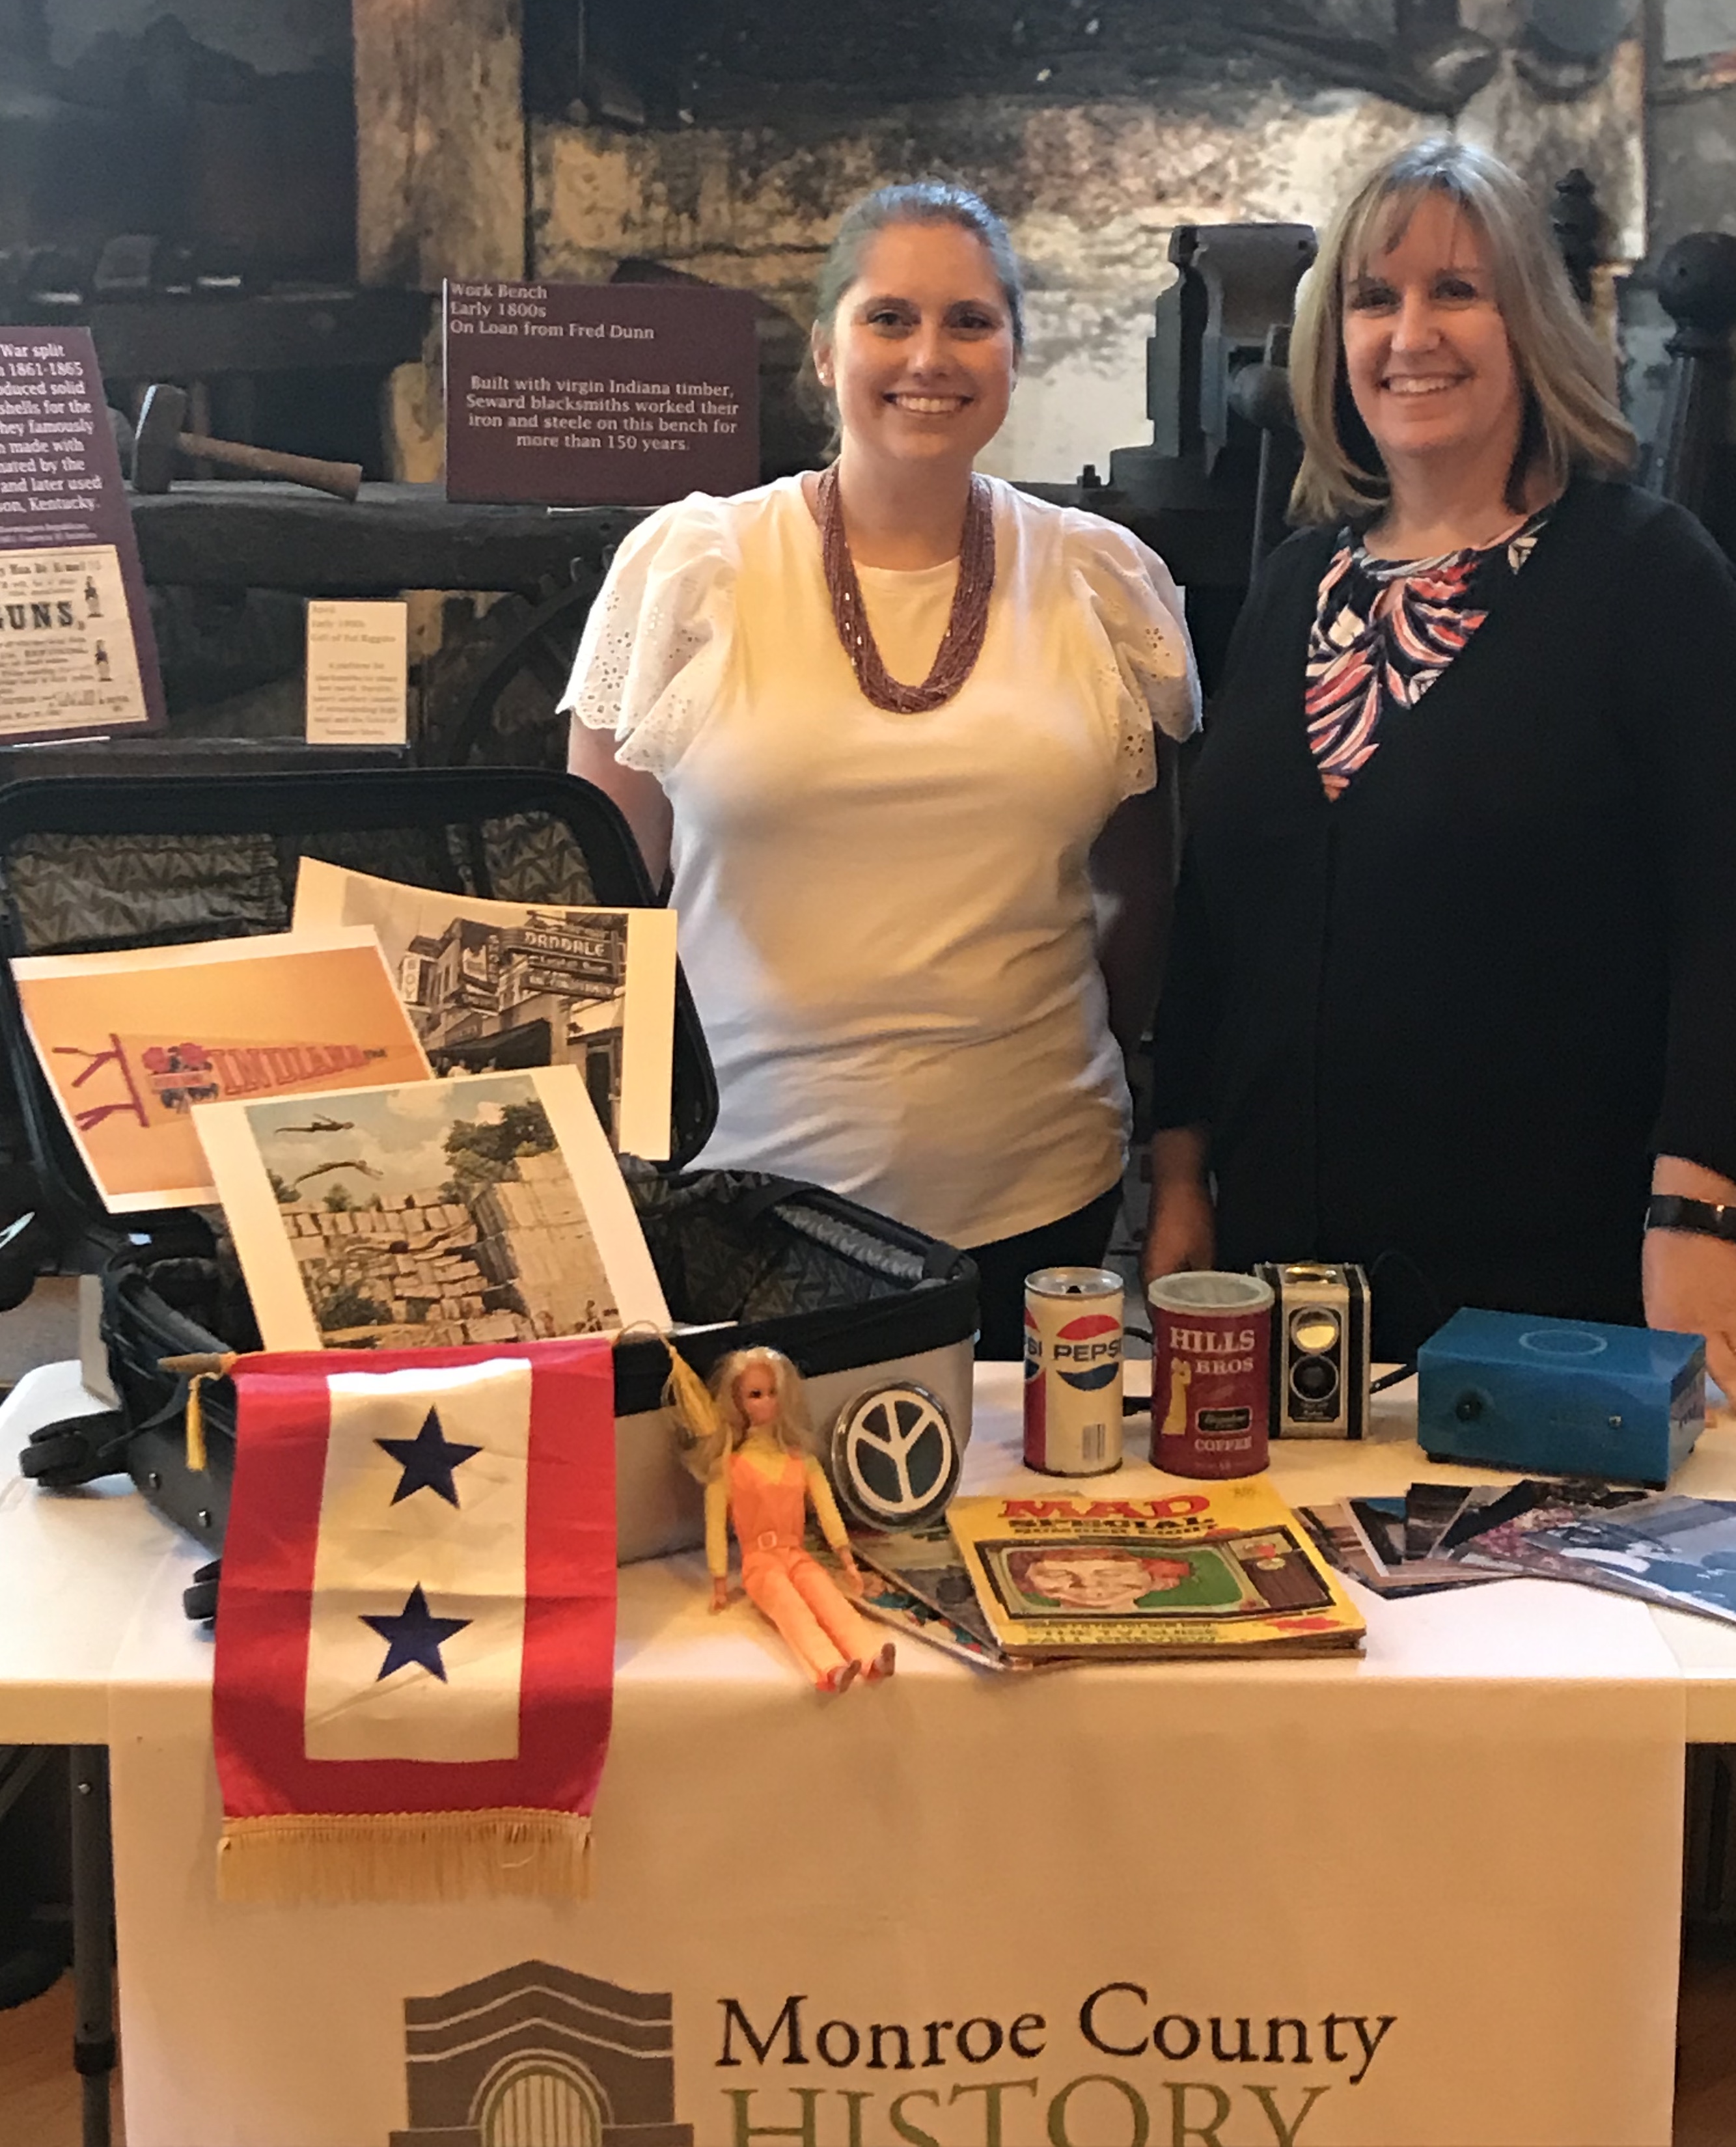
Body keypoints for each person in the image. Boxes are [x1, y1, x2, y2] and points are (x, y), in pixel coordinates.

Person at [565, 182, 1200, 1357]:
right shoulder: (688, 569)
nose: (930, 356)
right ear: (824, 347)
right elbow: (592, 909)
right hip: (747, 1201)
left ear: (1014, 350)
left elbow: (1139, 882)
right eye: (889, 318)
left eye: (969, 321)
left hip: (1037, 1189)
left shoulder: (1103, 582)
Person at [1142, 137, 1736, 1389]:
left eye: (1455, 290)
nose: (1410, 332)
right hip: (1277, 1285)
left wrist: (1696, 1215)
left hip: (1553, 1289)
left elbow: (1721, 917)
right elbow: (1215, 912)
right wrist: (1180, 1172)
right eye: (1374, 297)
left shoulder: (1648, 573)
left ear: (1528, 321)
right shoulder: (1298, 581)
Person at [685, 1346, 893, 1693]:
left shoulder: (801, 1461)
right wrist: (719, 1582)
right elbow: (716, 1532)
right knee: (791, 1608)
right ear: (737, 1402)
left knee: (828, 1598)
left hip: (796, 1554)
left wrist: (846, 1558)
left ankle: (872, 1656)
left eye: (772, 1393)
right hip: (760, 1563)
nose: (766, 1402)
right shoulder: (727, 1469)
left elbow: (828, 1511)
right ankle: (829, 1667)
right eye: (755, 1395)